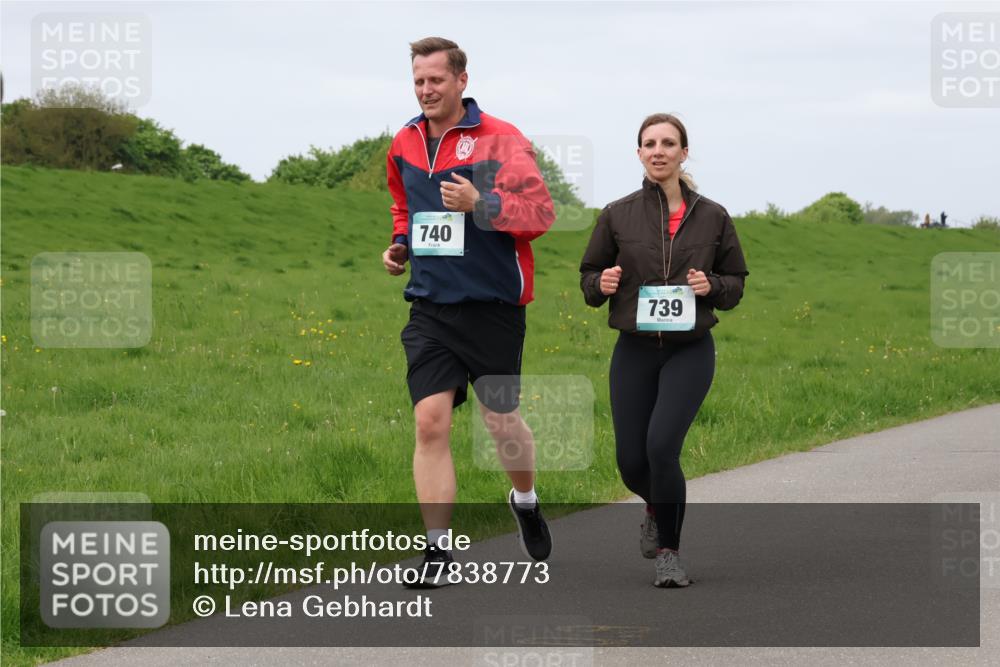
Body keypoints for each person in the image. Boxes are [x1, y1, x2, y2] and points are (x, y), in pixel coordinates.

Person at [382, 37, 556, 588]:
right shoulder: (405, 141)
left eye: (436, 80)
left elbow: (541, 213)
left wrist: (483, 205)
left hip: (492, 305)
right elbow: (405, 206)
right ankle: (437, 552)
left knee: (499, 420)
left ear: (461, 80)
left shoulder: (501, 138)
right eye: (418, 81)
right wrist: (400, 245)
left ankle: (524, 499)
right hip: (430, 306)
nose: (426, 90)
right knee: (429, 422)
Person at [579, 113, 748, 588]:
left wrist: (711, 285)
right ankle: (655, 506)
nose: (659, 150)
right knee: (631, 461)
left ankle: (670, 553)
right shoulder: (617, 213)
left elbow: (736, 285)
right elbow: (589, 278)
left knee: (661, 447)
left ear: (683, 153)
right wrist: (602, 282)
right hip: (634, 348)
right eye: (649, 143)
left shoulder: (713, 216)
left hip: (689, 349)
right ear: (639, 154)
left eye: (668, 143)